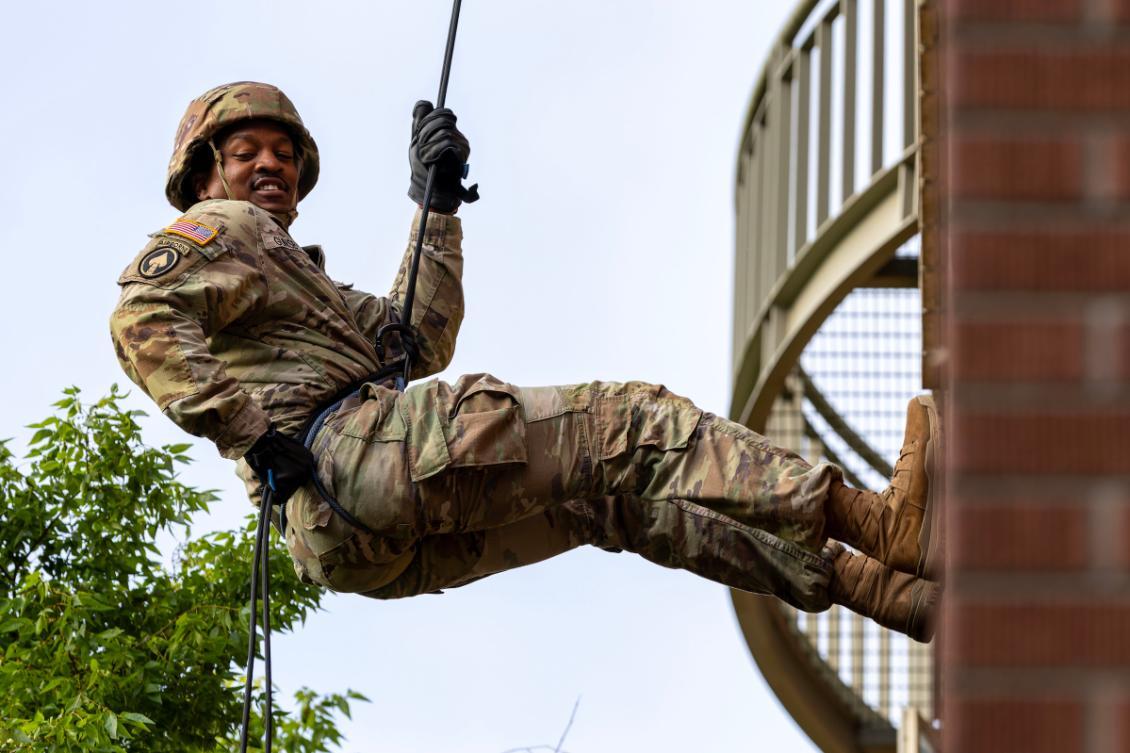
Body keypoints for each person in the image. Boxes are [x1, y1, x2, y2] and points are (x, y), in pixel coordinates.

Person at [110, 82, 941, 643]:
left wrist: (435, 203)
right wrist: (251, 429)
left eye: (284, 154)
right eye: (248, 150)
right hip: (354, 460)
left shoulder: (298, 281)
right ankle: (876, 520)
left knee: (609, 505)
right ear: (205, 171)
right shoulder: (222, 232)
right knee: (630, 423)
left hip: (343, 541)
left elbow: (416, 340)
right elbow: (141, 316)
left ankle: (873, 586)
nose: (271, 166)